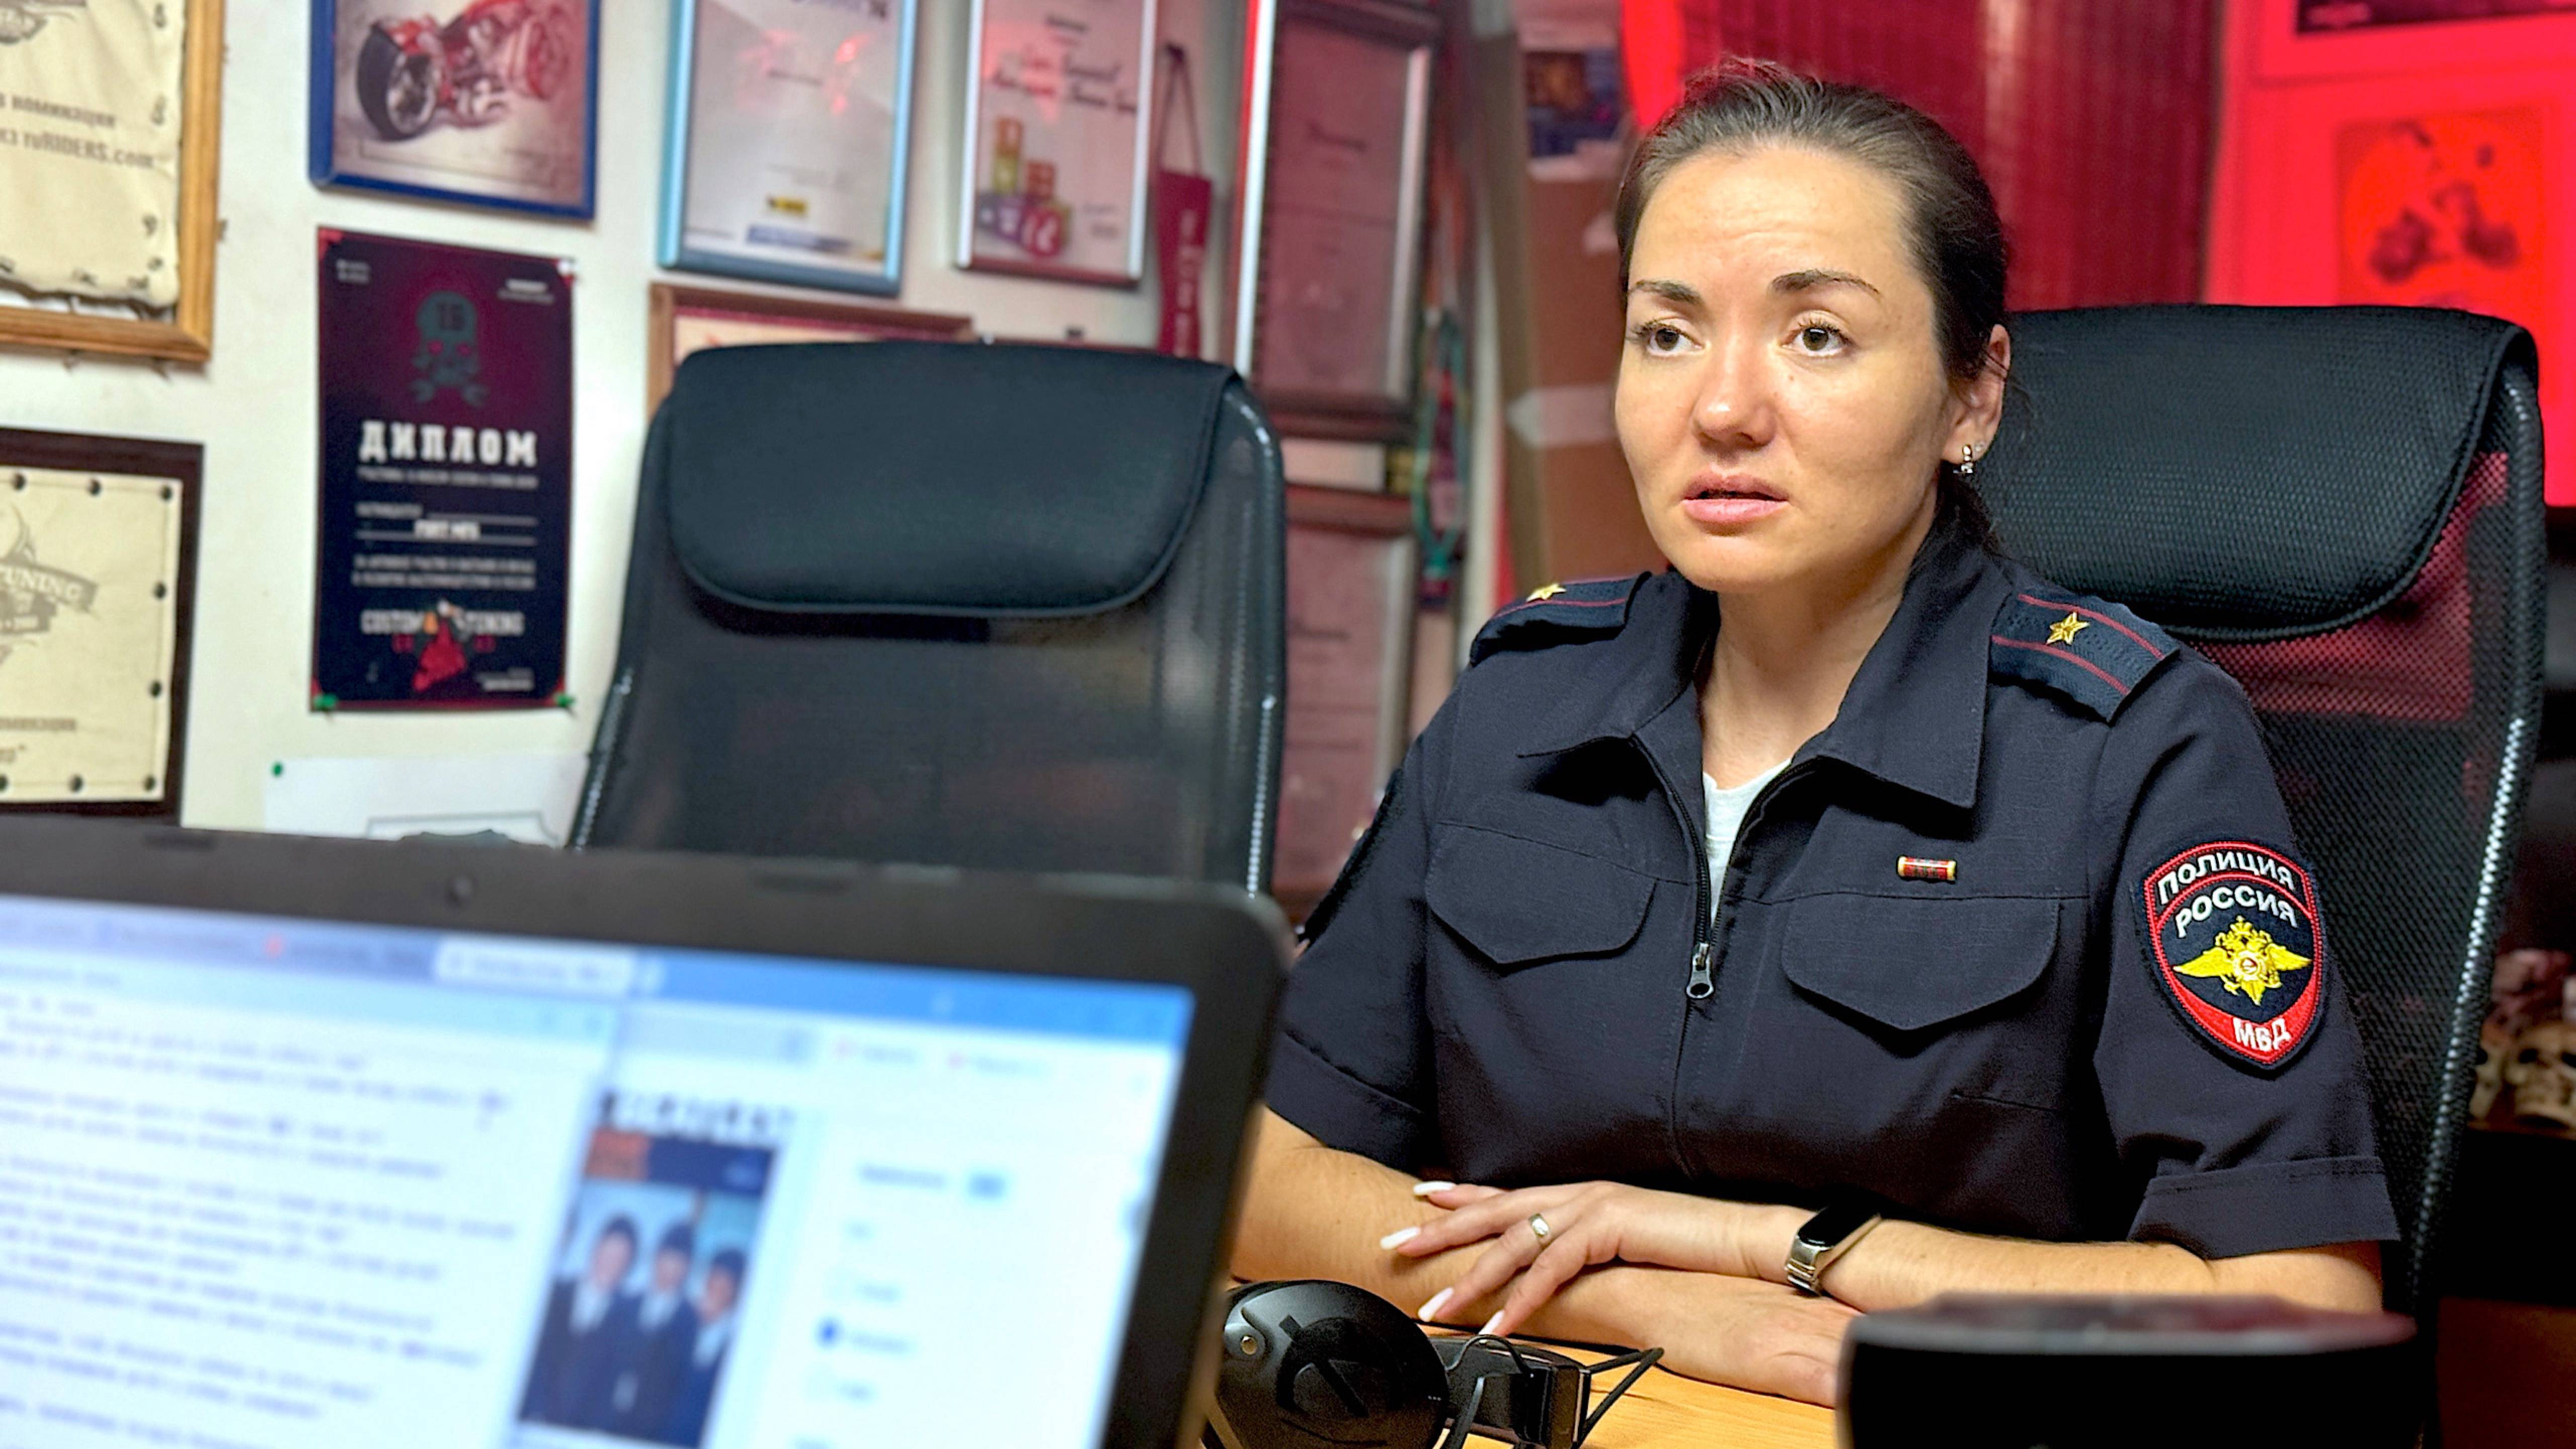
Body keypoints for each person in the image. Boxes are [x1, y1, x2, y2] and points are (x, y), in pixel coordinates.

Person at [1233, 58, 2397, 1407]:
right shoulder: (1524, 703)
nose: (1721, 408)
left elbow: (2294, 1306)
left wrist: (1771, 1248)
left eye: (1817, 336)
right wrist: (1650, 1301)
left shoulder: (2127, 743)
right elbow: (1255, 1171)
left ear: (1972, 395)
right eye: (1667, 333)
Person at [522, 1215, 642, 1429]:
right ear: (596, 1248)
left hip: (582, 1431)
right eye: (609, 1254)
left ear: (628, 1266)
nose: (612, 1264)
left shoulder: (629, 1318)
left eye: (621, 1260)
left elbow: (615, 1386)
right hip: (531, 1420)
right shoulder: (556, 1293)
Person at [610, 1222, 700, 1440]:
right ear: (656, 1258)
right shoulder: (626, 1304)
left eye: (679, 1262)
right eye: (667, 1258)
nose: (670, 1269)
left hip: (655, 1434)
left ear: (687, 1269)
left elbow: (680, 1387)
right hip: (608, 1423)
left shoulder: (690, 1321)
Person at [662, 1248, 745, 1446]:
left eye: (726, 1285)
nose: (717, 1289)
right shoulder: (683, 1320)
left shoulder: (736, 1339)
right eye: (714, 1280)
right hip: (661, 1434)